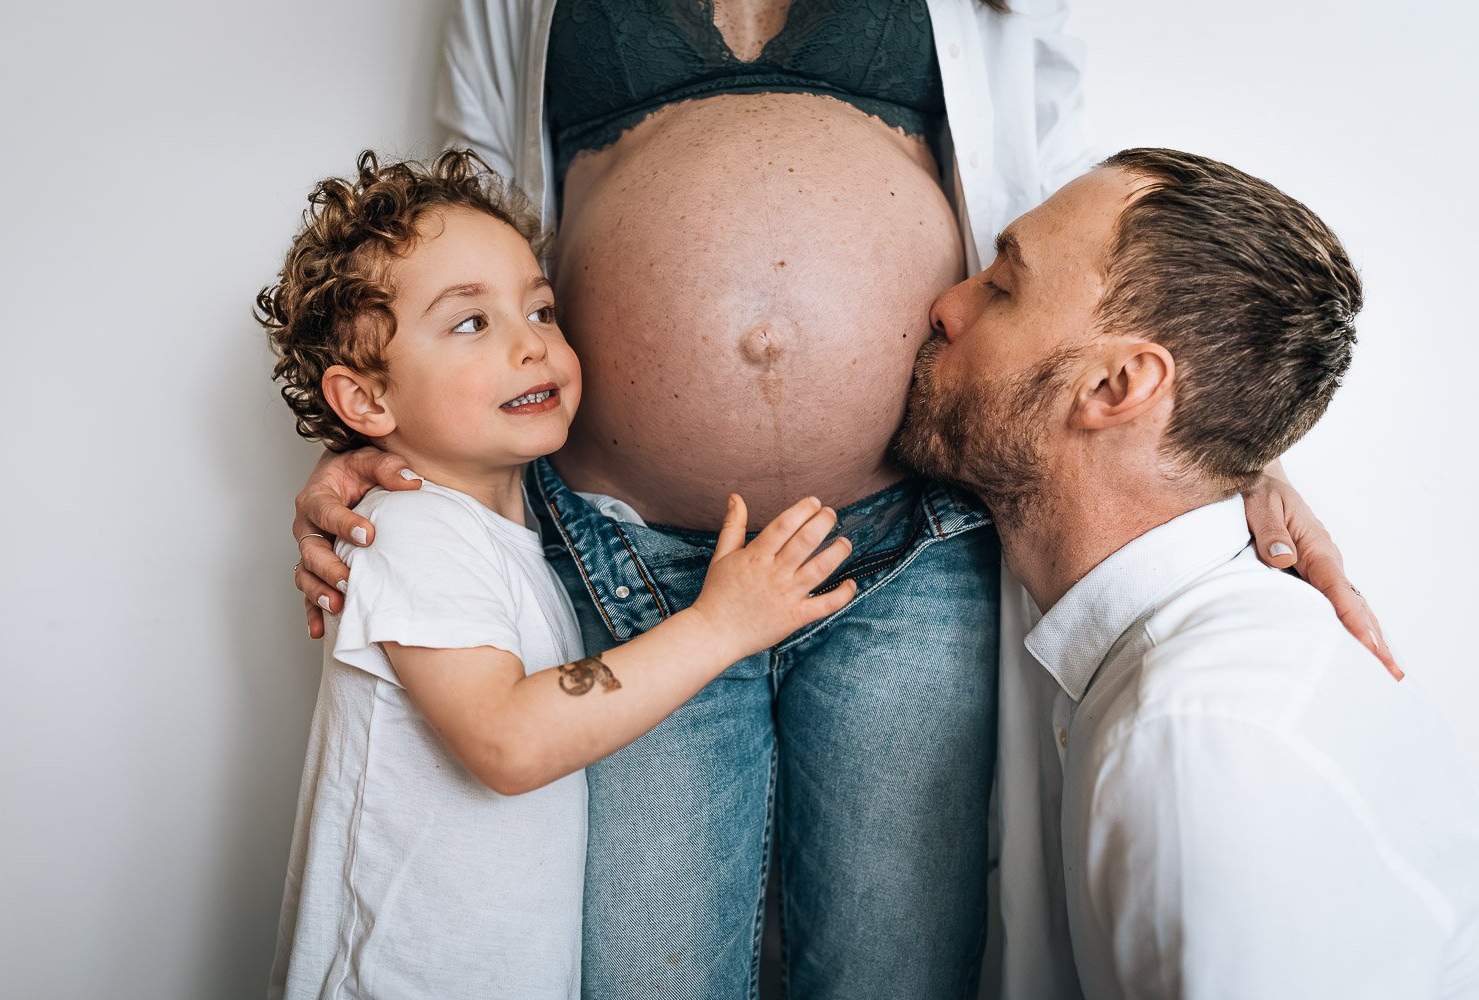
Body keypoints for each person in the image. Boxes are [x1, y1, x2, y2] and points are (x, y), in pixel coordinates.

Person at [287, 3, 1394, 995]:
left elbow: (1086, 251)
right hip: (629, 558)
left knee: (895, 965)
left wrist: (1223, 441)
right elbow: (466, 226)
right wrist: (399, 446)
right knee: (645, 973)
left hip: (910, 543)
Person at [259, 149, 855, 998]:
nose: (530, 344)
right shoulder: (414, 529)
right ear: (366, 403)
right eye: (471, 323)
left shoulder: (499, 533)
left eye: (539, 308)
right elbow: (505, 741)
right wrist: (721, 625)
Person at [899, 147, 1479, 999]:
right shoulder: (1170, 671)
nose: (946, 305)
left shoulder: (1195, 740)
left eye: (1002, 287)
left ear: (1119, 384)